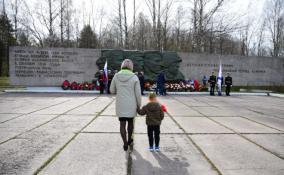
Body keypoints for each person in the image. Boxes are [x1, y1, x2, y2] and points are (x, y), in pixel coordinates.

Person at [110, 59, 142, 151]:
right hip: (131, 105)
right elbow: (138, 94)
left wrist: (119, 90)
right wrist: (139, 105)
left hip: (121, 105)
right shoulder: (134, 77)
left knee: (122, 124)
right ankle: (129, 140)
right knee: (131, 123)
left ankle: (124, 143)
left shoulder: (116, 76)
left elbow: (112, 90)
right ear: (131, 67)